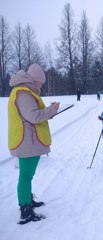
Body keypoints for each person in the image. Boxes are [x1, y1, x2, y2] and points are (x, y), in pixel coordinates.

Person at [8, 63, 60, 224]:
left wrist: (50, 112)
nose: (41, 85)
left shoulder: (24, 91)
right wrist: (51, 110)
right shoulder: (23, 93)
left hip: (28, 140)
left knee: (27, 176)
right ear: (34, 80)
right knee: (25, 176)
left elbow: (32, 116)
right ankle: (25, 210)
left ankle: (27, 201)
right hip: (26, 141)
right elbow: (33, 117)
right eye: (40, 83)